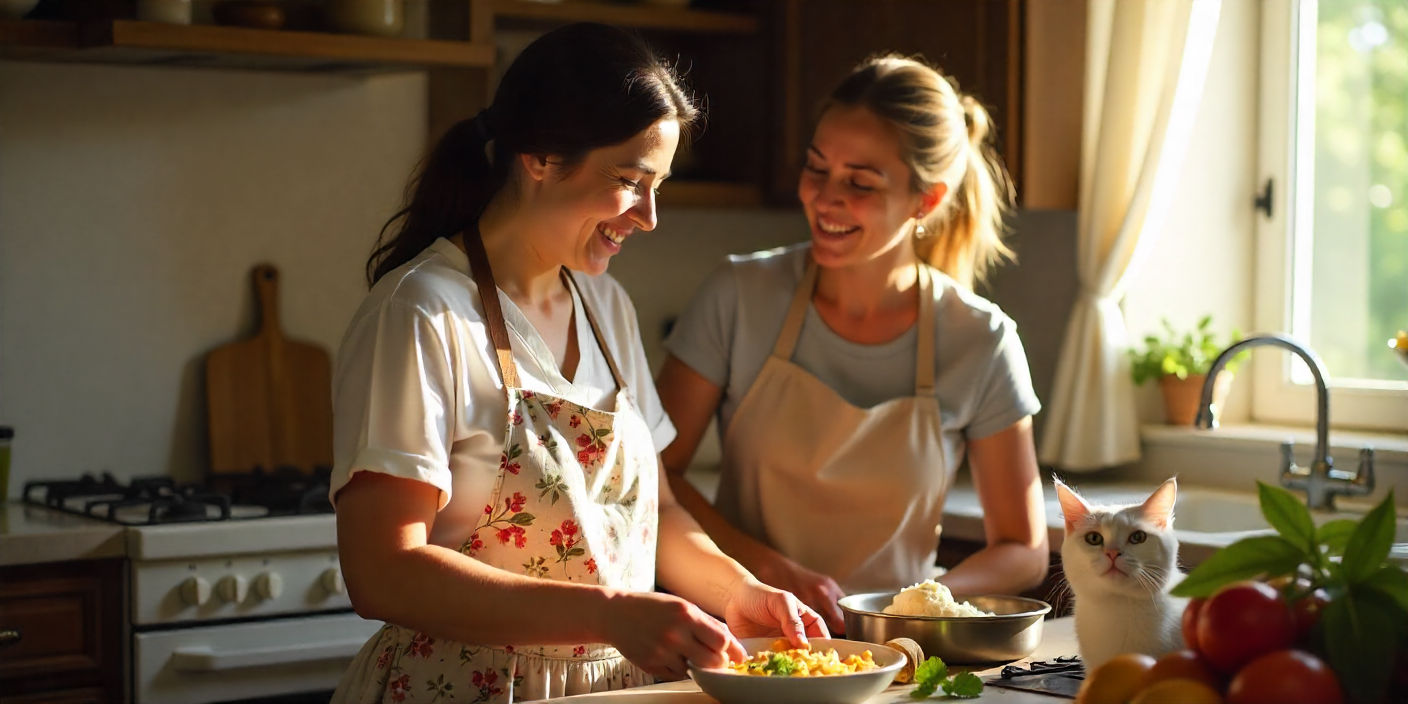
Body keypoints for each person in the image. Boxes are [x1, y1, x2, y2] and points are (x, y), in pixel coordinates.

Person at [328, 23, 825, 704]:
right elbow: (382, 571)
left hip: (610, 690)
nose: (648, 216)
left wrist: (739, 592)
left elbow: (661, 508)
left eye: (659, 186)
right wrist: (606, 614)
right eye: (628, 180)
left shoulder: (604, 305)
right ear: (540, 158)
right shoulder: (421, 314)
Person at [655, 54, 1050, 634]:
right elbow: (656, 477)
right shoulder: (740, 295)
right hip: (746, 639)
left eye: (859, 183)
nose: (824, 197)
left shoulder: (980, 339)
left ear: (928, 200)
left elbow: (1023, 548)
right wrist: (763, 570)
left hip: (899, 651)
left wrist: (909, 606)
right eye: (816, 169)